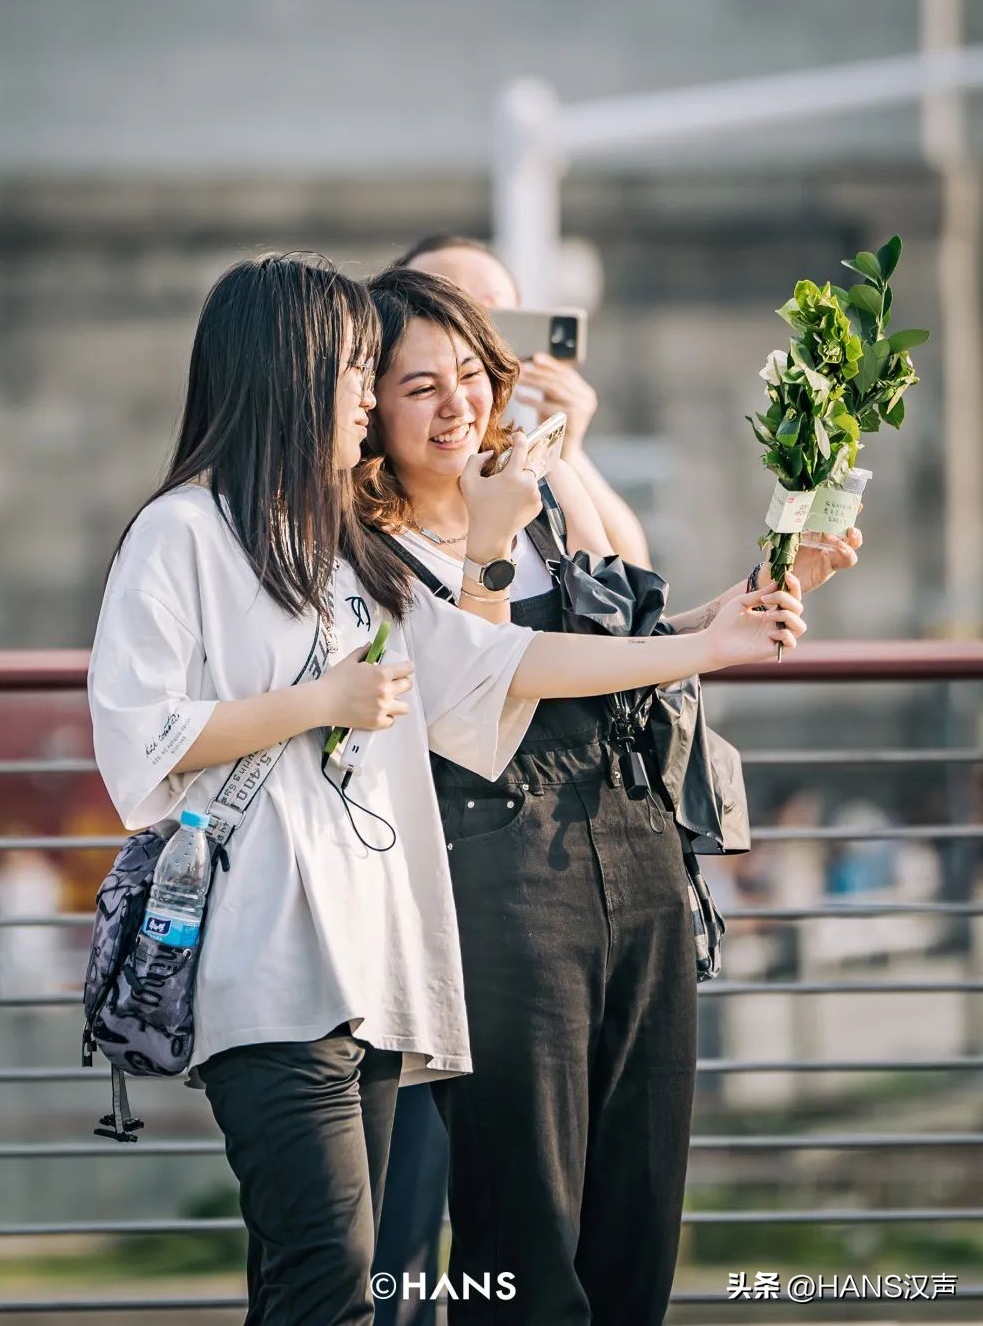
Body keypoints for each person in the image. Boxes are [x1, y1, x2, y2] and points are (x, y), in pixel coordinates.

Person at [88, 252, 804, 1326]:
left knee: (339, 1280)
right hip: (266, 959)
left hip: (369, 968)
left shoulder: (338, 556)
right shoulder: (183, 533)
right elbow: (136, 757)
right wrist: (320, 696)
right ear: (289, 375)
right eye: (358, 371)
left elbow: (491, 681)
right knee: (331, 1278)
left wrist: (715, 638)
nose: (365, 402)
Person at [358, 266, 855, 1326]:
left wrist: (763, 592)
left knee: (636, 1219)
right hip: (500, 871)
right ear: (368, 410)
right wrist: (488, 543)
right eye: (419, 389)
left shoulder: (531, 499)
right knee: (525, 1235)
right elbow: (480, 689)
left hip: (631, 844)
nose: (460, 407)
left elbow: (622, 651)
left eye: (469, 376)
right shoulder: (370, 545)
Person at [394, 234, 651, 567]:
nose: (465, 330)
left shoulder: (532, 471)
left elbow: (631, 595)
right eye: (440, 307)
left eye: (490, 312)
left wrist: (566, 449)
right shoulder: (362, 509)